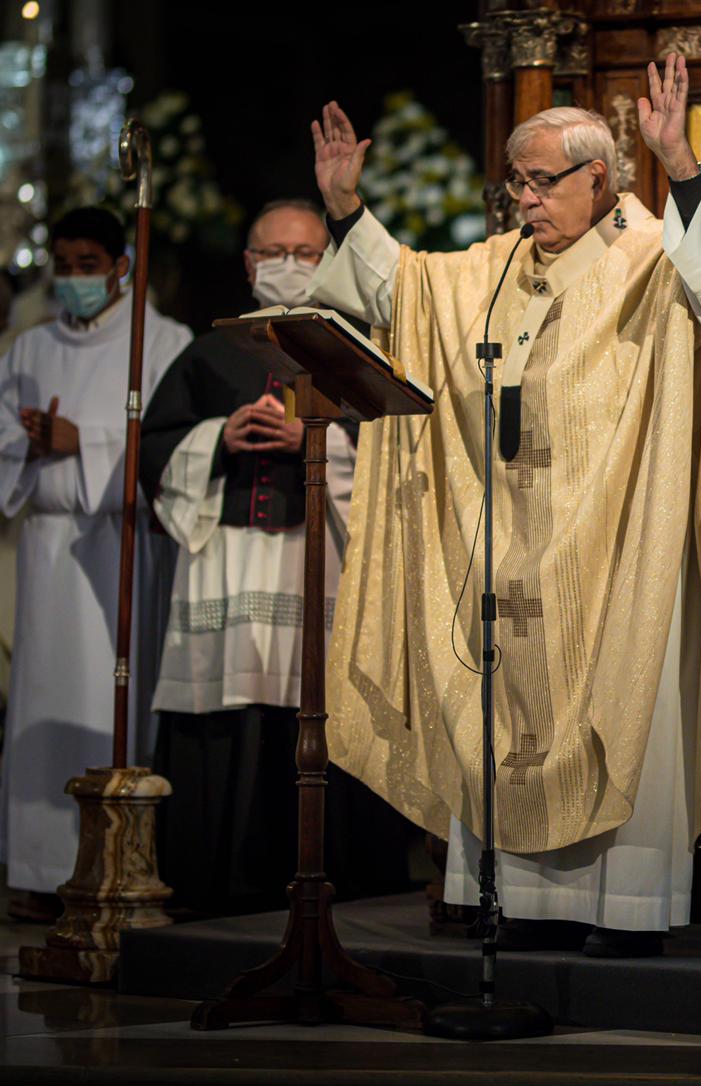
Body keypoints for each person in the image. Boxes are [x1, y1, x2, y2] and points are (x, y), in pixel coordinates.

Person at [310, 55, 701, 957]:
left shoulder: (653, 256)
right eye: (516, 182)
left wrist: (680, 163)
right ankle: (511, 901)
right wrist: (344, 210)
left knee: (620, 694)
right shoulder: (489, 272)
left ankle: (623, 910)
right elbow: (395, 288)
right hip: (508, 543)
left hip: (619, 542)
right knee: (500, 707)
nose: (523, 199)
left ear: (598, 178)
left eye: (542, 181)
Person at [138, 199, 414, 916]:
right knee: (226, 710)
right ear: (248, 264)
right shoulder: (207, 352)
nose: (287, 266)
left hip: (318, 551)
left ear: (327, 261)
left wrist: (314, 441)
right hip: (226, 557)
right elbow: (157, 445)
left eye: (304, 252)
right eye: (272, 254)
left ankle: (329, 876)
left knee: (313, 705)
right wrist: (217, 436)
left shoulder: (352, 347)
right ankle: (216, 880)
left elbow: (397, 451)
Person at [0, 206, 190, 919]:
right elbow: (3, 435)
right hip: (48, 549)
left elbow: (172, 438)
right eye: (65, 266)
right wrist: (32, 442)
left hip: (120, 545)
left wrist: (89, 441)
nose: (76, 279)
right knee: (40, 701)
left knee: (111, 700)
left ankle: (117, 862)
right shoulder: (29, 348)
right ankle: (38, 864)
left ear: (121, 265)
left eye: (89, 266)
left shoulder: (162, 340)